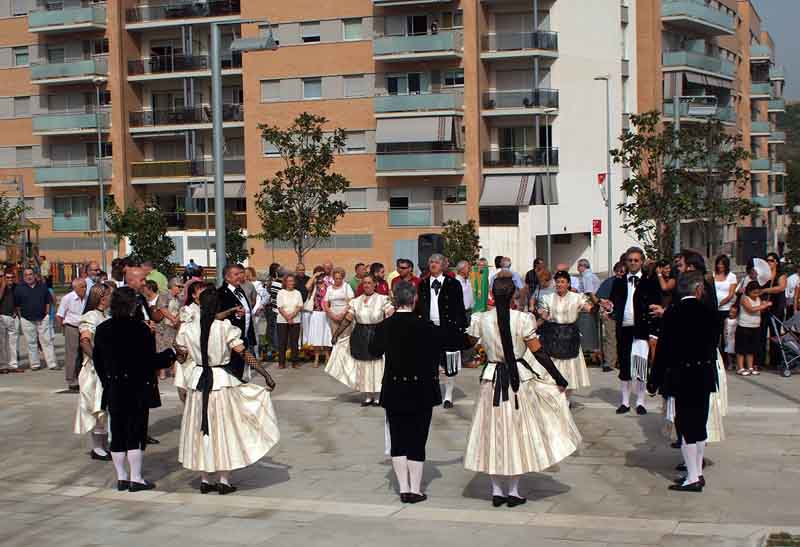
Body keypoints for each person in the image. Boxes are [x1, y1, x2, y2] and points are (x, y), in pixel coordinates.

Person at [463, 273, 581, 507]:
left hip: (492, 380)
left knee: (492, 434)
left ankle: (497, 491)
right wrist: (559, 377)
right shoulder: (523, 319)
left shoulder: (481, 319)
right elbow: (538, 351)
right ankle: (514, 492)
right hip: (519, 380)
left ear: (491, 296)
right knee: (518, 434)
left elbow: (466, 344)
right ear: (514, 297)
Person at [369, 281, 468, 504]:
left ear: (395, 301)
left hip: (394, 387)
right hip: (422, 389)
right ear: (414, 300)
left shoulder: (385, 326)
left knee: (398, 438)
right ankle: (415, 489)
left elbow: (373, 350)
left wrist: (385, 321)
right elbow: (455, 341)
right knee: (417, 438)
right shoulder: (427, 326)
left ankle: (403, 488)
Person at [175, 288, 278, 495]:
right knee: (224, 429)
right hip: (220, 382)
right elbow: (243, 353)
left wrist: (180, 352)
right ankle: (223, 479)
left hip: (198, 383)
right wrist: (265, 373)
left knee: (201, 429)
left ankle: (205, 479)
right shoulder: (224, 327)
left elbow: (181, 357)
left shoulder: (188, 328)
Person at [92, 287, 178, 492]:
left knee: (118, 433)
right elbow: (150, 361)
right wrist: (171, 353)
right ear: (133, 305)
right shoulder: (141, 329)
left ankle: (122, 478)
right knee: (135, 433)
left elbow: (98, 360)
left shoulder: (103, 329)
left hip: (114, 387)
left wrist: (107, 381)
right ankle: (136, 478)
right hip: (137, 388)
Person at [648, 272, 718, 492]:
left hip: (682, 375)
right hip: (705, 373)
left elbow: (664, 350)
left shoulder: (673, 313)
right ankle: (695, 471)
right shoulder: (709, 312)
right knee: (699, 425)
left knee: (685, 426)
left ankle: (693, 478)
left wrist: (655, 379)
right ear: (697, 290)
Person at [604, 247, 661, 416]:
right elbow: (613, 304)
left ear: (642, 261)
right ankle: (625, 401)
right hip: (624, 328)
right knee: (625, 366)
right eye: (630, 260)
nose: (633, 263)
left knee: (641, 366)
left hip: (642, 329)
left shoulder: (650, 282)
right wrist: (609, 308)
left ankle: (641, 401)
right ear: (626, 262)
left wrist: (653, 332)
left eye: (636, 260)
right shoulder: (619, 282)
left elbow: (655, 306)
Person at [326, 274, 394, 406]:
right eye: (364, 283)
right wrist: (336, 334)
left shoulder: (383, 299)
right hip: (360, 335)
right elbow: (347, 320)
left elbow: (392, 316)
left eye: (369, 283)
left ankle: (378, 396)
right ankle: (368, 396)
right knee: (364, 366)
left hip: (377, 334)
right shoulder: (355, 301)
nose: (367, 285)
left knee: (378, 365)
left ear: (375, 284)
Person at [415, 254, 468, 409]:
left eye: (437, 262)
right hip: (428, 328)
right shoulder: (423, 284)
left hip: (448, 328)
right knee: (428, 363)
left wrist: (460, 327)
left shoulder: (453, 284)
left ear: (444, 265)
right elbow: (419, 307)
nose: (433, 264)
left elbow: (459, 307)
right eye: (431, 261)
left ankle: (448, 396)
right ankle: (432, 393)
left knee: (449, 363)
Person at [74, 282, 113, 461]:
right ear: (102, 297)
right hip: (93, 370)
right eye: (110, 295)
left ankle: (104, 444)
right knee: (96, 407)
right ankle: (97, 448)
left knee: (105, 408)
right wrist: (98, 359)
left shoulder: (106, 315)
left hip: (106, 368)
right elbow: (85, 341)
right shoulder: (90, 316)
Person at [538, 271, 593, 396]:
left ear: (568, 284)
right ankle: (557, 397)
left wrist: (600, 306)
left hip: (570, 336)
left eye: (562, 282)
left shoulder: (577, 297)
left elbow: (589, 308)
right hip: (554, 336)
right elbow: (544, 315)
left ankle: (567, 400)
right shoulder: (548, 298)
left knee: (570, 370)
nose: (559, 284)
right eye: (557, 282)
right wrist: (541, 315)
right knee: (554, 369)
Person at [14, 268, 57, 371]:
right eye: (26, 275)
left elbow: (48, 301)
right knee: (31, 342)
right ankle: (35, 364)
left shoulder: (42, 287)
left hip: (43, 318)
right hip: (27, 319)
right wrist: (22, 317)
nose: (29, 277)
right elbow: (17, 305)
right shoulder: (19, 289)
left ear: (34, 275)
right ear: (23, 277)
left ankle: (52, 364)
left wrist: (46, 314)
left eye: (30, 274)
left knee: (47, 341)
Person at [56, 278, 88, 391]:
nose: (85, 289)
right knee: (72, 355)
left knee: (84, 354)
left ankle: (82, 378)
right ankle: (72, 380)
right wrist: (63, 330)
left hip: (84, 327)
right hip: (72, 327)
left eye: (85, 286)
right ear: (75, 288)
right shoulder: (67, 298)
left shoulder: (87, 298)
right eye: (82, 287)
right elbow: (59, 315)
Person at [735, 281, 770, 376]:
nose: (755, 295)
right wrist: (763, 305)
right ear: (749, 291)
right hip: (744, 326)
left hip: (755, 326)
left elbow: (759, 310)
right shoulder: (744, 298)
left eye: (757, 292)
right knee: (741, 348)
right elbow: (750, 309)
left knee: (752, 348)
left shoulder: (758, 298)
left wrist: (764, 306)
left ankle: (750, 367)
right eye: (753, 293)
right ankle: (740, 368)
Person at [596, 262, 625, 372]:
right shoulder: (609, 282)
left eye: (622, 271)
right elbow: (599, 297)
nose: (620, 273)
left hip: (624, 315)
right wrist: (604, 306)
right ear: (615, 271)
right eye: (619, 271)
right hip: (610, 314)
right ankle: (610, 362)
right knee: (611, 338)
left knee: (622, 339)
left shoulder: (628, 281)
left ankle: (620, 361)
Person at [761, 252, 787, 372]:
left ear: (776, 262)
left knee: (775, 334)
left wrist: (766, 289)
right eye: (767, 260)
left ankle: (775, 361)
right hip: (764, 306)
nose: (768, 262)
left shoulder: (781, 274)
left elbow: (781, 287)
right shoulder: (764, 275)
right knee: (761, 333)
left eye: (771, 260)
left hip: (777, 307)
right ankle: (760, 360)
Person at [303, 270, 332, 368]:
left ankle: (327, 356)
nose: (320, 280)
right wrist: (314, 275)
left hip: (327, 313)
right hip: (316, 313)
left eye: (322, 278)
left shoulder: (329, 287)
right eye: (318, 278)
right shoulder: (314, 287)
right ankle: (316, 358)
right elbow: (307, 286)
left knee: (327, 335)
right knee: (317, 335)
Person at [713, 255, 738, 367]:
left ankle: (727, 359)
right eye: (718, 264)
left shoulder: (731, 276)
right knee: (715, 333)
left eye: (722, 264)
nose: (720, 266)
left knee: (726, 335)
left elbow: (731, 293)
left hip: (725, 308)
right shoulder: (713, 275)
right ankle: (715, 357)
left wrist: (721, 303)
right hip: (714, 308)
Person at [276, 273, 304, 369]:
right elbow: (279, 307)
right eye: (289, 281)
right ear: (285, 282)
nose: (291, 283)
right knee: (282, 342)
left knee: (294, 342)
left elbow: (299, 306)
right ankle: (281, 362)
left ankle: (295, 362)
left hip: (295, 320)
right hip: (282, 320)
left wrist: (291, 316)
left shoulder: (298, 293)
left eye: (292, 281)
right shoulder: (281, 292)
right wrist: (287, 318)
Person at [323, 266, 354, 347]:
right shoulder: (329, 288)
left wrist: (342, 314)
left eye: (340, 278)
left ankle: (345, 358)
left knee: (345, 338)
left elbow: (351, 302)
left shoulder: (347, 286)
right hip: (333, 316)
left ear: (342, 278)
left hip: (345, 316)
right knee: (335, 337)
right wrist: (331, 314)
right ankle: (336, 358)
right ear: (333, 278)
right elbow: (325, 303)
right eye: (336, 278)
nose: (338, 280)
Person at [0, 269, 20, 372]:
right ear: (4, 278)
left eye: (11, 277)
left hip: (13, 317)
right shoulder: (2, 287)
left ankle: (13, 365)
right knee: (2, 343)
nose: (10, 279)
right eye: (7, 277)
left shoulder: (16, 288)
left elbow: (18, 302)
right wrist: (3, 287)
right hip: (2, 316)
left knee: (13, 342)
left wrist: (18, 314)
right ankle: (3, 366)